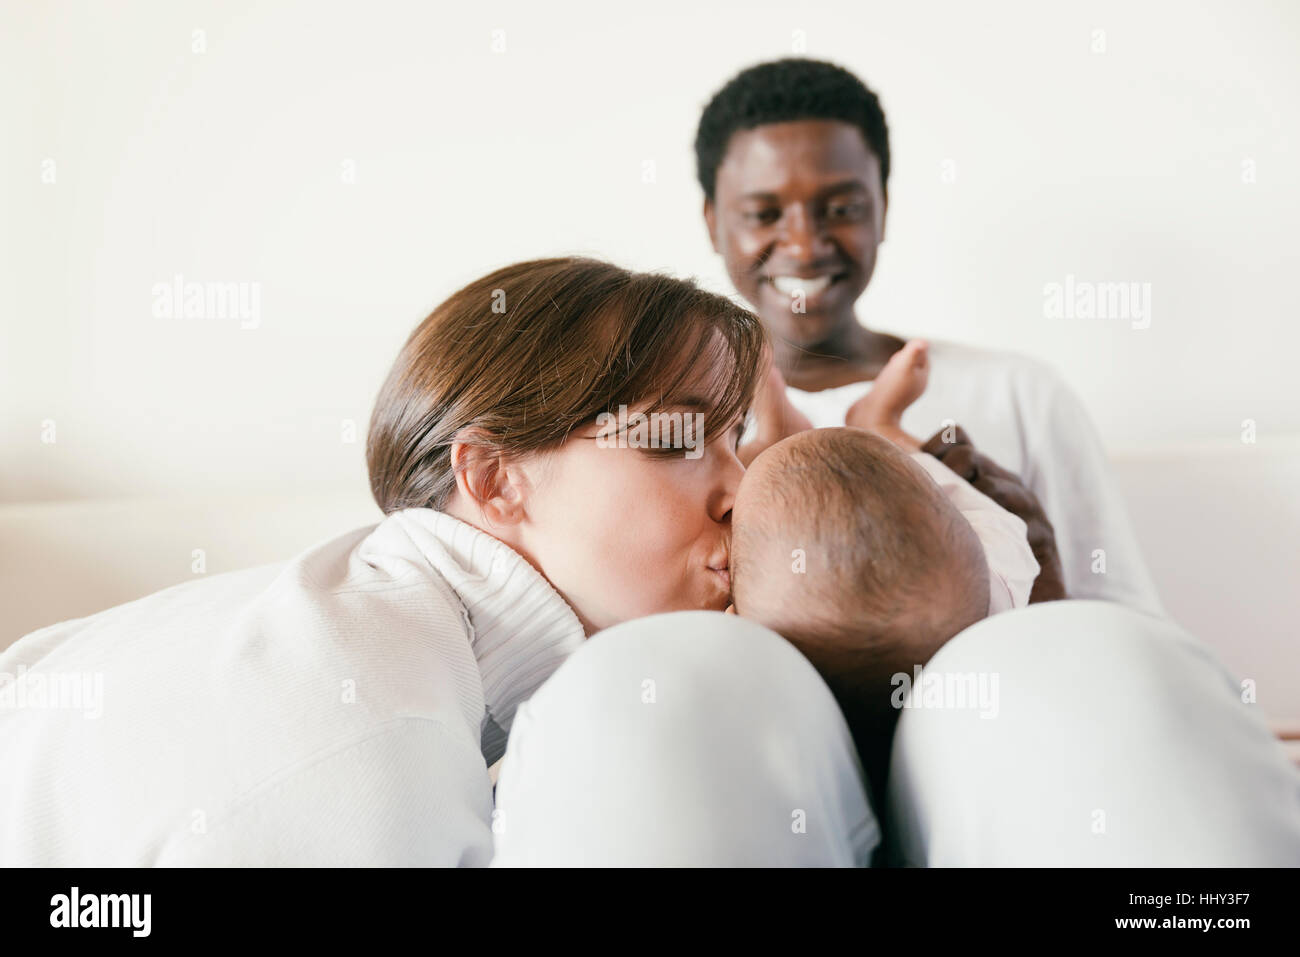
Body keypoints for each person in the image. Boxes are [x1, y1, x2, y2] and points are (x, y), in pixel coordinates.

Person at [0, 257, 767, 865]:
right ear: (494, 478)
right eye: (676, 439)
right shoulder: (371, 735)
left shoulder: (375, 646)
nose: (743, 489)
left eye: (740, 441)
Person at [696, 57, 1163, 617]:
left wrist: (1035, 560)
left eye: (841, 208)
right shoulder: (672, 421)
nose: (803, 244)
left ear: (884, 210)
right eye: (764, 213)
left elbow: (1129, 626)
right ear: (713, 222)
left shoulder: (1018, 394)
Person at [729, 338, 1041, 806]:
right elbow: (1004, 530)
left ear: (732, 615)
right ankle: (879, 425)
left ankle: (770, 441)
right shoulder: (995, 597)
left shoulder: (754, 673)